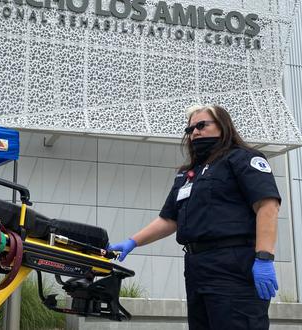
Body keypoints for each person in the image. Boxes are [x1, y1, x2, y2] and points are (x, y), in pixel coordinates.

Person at [109, 105, 280, 330]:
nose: (195, 132)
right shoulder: (188, 173)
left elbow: (267, 206)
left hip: (233, 264)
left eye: (202, 125)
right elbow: (169, 219)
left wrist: (264, 258)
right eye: (190, 129)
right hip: (197, 266)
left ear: (223, 125)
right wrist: (133, 241)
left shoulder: (243, 158)